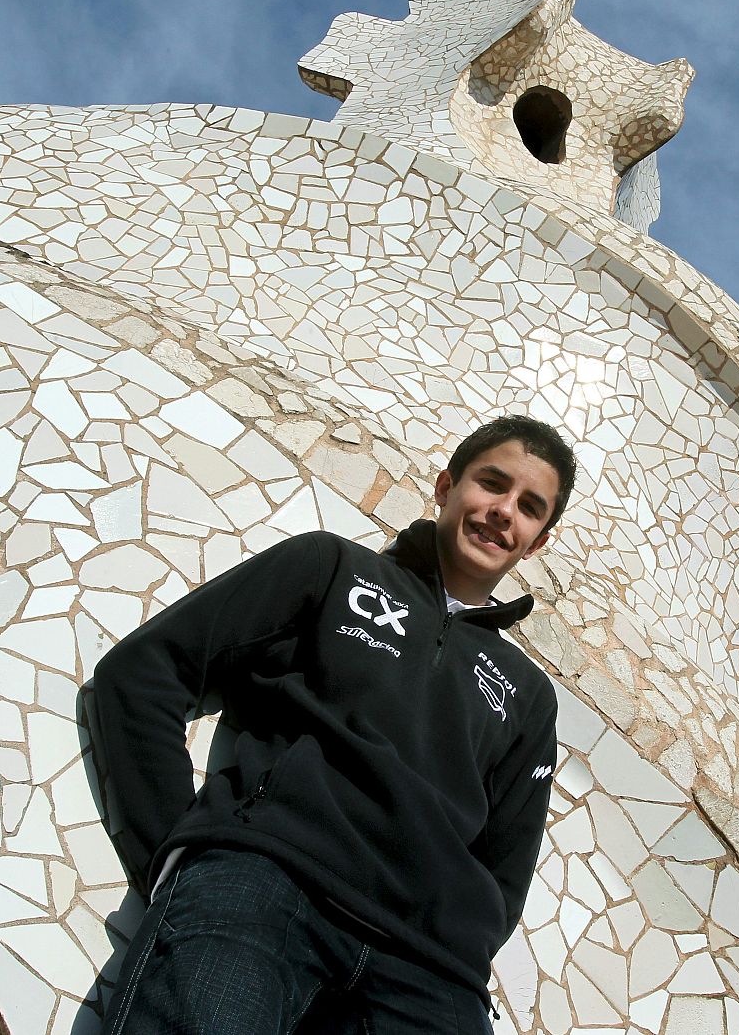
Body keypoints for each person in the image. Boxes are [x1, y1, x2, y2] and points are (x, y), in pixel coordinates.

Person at [89, 415, 577, 1034]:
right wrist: (170, 854)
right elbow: (145, 672)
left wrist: (459, 940)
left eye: (530, 507)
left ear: (536, 542)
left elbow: (506, 866)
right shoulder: (331, 570)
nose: (504, 511)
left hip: (429, 972)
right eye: (492, 483)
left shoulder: (529, 695)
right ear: (446, 485)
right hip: (264, 887)